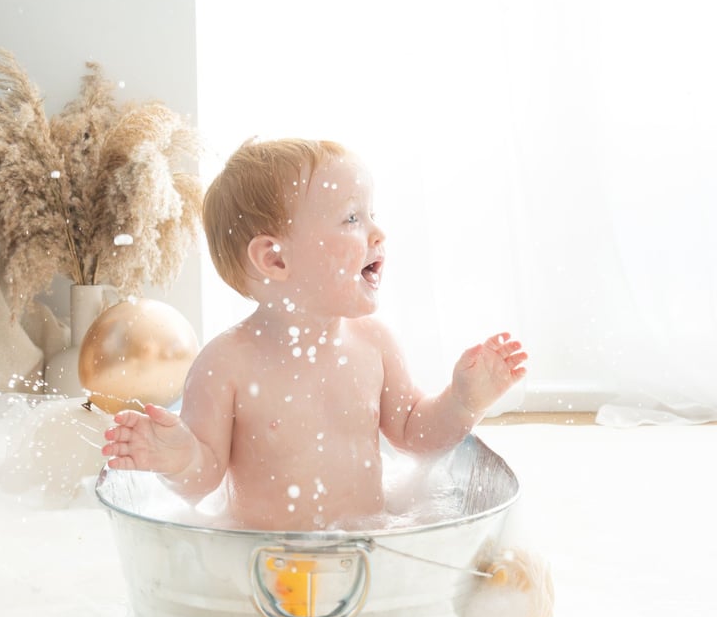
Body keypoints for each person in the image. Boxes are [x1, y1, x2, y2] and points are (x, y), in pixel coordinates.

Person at [102, 138, 527, 530]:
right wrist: (180, 458)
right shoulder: (226, 364)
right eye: (352, 218)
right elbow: (203, 478)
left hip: (368, 543)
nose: (378, 233)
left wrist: (463, 401)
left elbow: (415, 434)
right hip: (265, 558)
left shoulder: (374, 344)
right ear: (275, 258)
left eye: (372, 215)